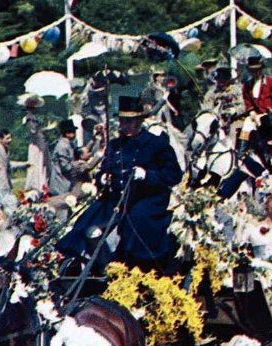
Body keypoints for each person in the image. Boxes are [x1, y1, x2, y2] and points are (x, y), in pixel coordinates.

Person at [60, 96, 183, 272]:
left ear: (140, 121)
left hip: (146, 198)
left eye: (131, 121)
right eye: (123, 121)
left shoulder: (156, 144)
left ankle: (140, 266)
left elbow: (174, 175)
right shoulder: (115, 145)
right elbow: (104, 169)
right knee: (87, 225)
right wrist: (102, 178)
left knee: (137, 219)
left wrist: (147, 175)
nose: (126, 126)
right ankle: (104, 267)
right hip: (115, 199)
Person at [19, 95, 51, 195]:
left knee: (41, 163)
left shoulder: (33, 118)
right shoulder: (29, 118)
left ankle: (42, 185)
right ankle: (36, 186)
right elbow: (33, 132)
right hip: (35, 144)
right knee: (36, 163)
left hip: (38, 142)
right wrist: (45, 129)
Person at [48, 118, 80, 198]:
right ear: (67, 133)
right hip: (61, 182)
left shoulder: (68, 144)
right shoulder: (62, 146)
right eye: (72, 131)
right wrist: (78, 164)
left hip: (65, 181)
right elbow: (65, 166)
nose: (75, 134)